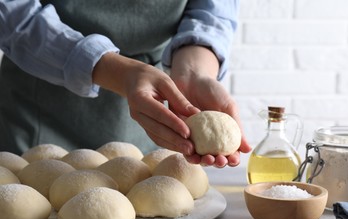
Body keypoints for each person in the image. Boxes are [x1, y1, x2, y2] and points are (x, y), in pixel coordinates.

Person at [0, 0, 251, 167]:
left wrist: (195, 74)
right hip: (39, 106)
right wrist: (117, 71)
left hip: (160, 109)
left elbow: (212, 10)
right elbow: (11, 11)